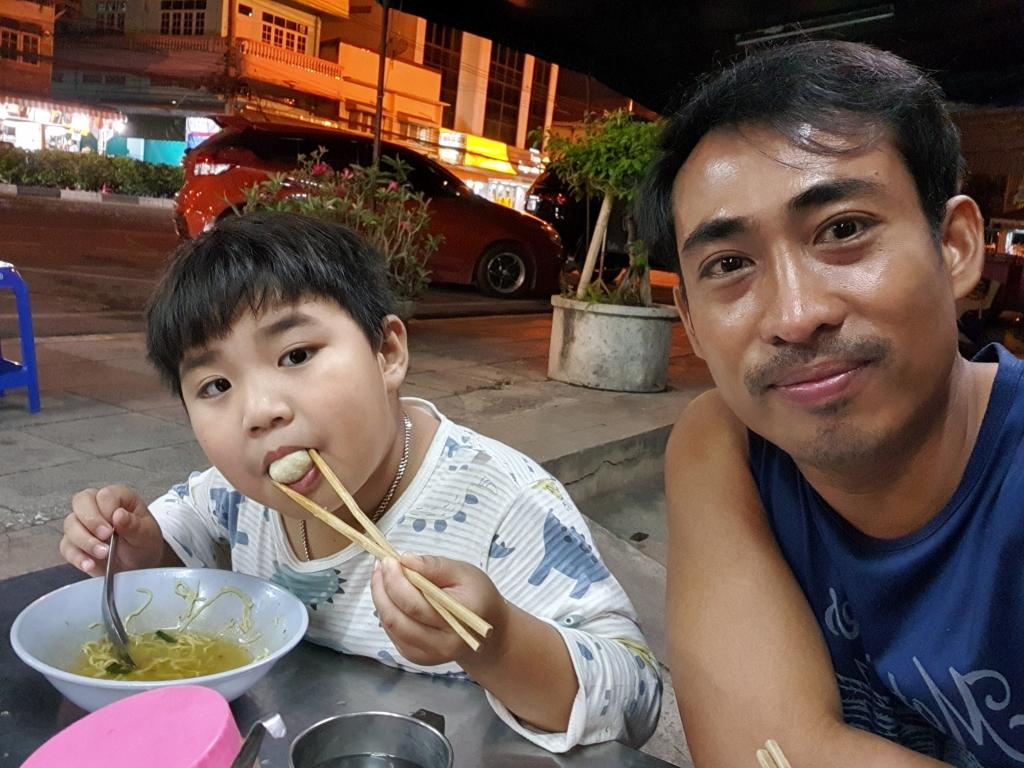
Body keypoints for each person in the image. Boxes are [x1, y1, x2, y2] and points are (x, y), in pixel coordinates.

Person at [58, 212, 661, 752]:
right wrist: (144, 551)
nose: (260, 411)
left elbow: (637, 695)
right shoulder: (238, 496)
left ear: (387, 352)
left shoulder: (504, 503)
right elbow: (181, 530)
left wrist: (498, 644)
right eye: (215, 386)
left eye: (296, 355)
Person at [636, 40, 1024, 767]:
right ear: (689, 320)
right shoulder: (727, 446)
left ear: (954, 247)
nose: (795, 315)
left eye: (843, 230)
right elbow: (764, 752)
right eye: (729, 264)